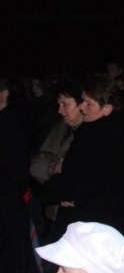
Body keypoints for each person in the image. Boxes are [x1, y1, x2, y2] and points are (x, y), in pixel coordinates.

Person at [41, 75, 124, 240]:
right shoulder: (93, 131)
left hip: (91, 224)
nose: (82, 107)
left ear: (107, 109)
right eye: (83, 100)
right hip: (92, 220)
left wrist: (50, 191)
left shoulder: (103, 138)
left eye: (89, 103)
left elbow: (79, 180)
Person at [0, 75, 49, 273]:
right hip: (8, 193)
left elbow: (13, 162)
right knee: (7, 250)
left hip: (12, 195)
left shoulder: (14, 121)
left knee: (23, 250)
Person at [30, 78, 84, 234]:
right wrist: (53, 168)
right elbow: (36, 164)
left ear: (82, 104)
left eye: (65, 104)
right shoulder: (62, 128)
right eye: (59, 104)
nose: (60, 110)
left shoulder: (95, 133)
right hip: (58, 214)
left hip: (83, 217)